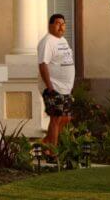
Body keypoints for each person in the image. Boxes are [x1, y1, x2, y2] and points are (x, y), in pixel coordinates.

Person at [38, 13, 75, 145]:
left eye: (63, 24)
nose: (61, 27)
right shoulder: (47, 42)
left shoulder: (63, 40)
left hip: (66, 89)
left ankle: (46, 143)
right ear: (50, 26)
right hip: (54, 88)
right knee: (56, 118)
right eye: (58, 24)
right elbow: (43, 64)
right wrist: (49, 87)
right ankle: (53, 151)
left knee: (66, 118)